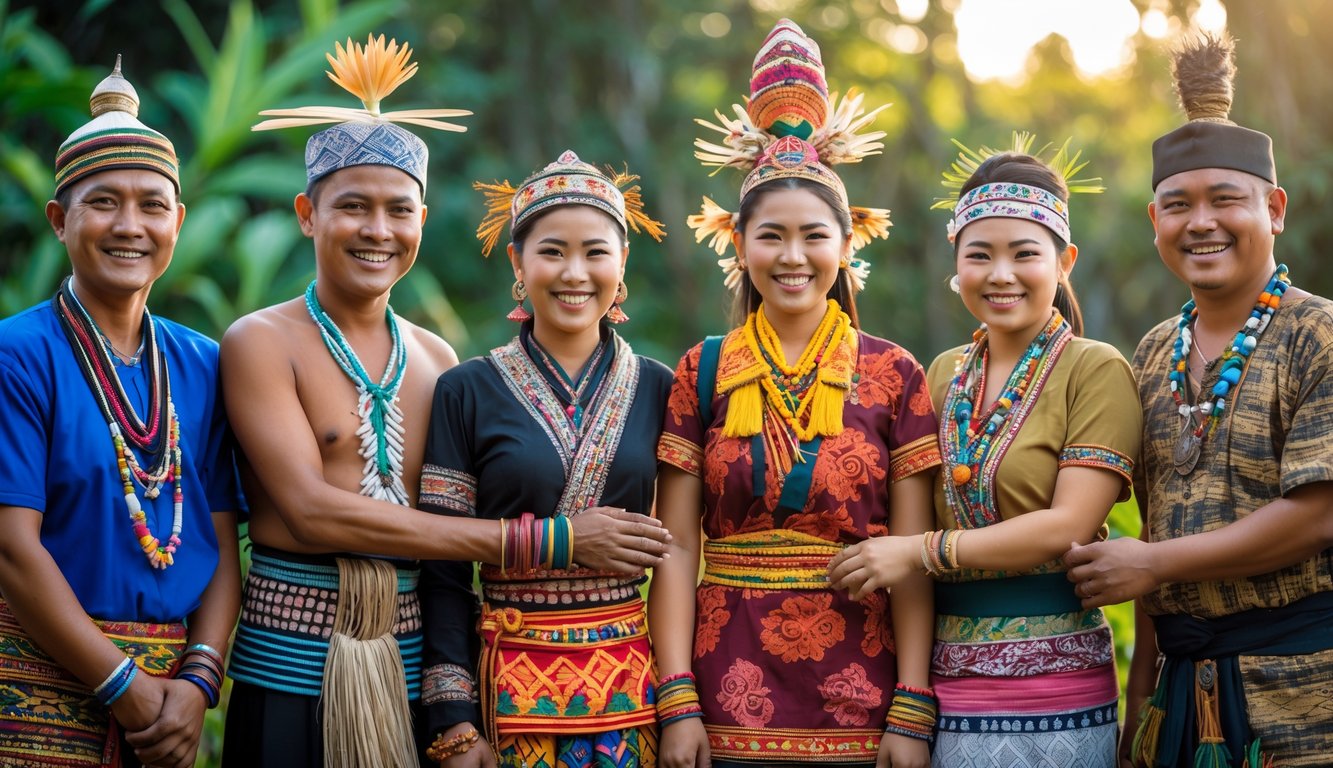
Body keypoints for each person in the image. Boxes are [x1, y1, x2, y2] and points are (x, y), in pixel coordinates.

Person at [220, 37, 671, 768]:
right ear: (307, 213)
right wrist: (549, 542)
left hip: (409, 666)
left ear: (422, 221)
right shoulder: (260, 341)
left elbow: (447, 549)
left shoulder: (436, 360)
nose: (378, 230)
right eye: (352, 207)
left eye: (398, 210)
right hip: (292, 663)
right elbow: (310, 511)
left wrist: (449, 705)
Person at [650, 19, 940, 768]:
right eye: (770, 235)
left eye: (814, 235)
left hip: (862, 696)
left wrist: (912, 708)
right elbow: (677, 548)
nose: (792, 256)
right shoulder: (701, 370)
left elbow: (910, 557)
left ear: (846, 244)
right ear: (737, 243)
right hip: (725, 692)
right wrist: (677, 700)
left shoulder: (894, 373)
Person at [1063, 31, 1333, 768]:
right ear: (1155, 222)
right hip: (1181, 696)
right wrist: (1138, 711)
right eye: (1178, 205)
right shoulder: (1153, 353)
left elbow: (1317, 515)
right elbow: (1152, 538)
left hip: (1306, 691)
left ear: (1274, 209)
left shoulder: (1317, 334)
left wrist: (1154, 564)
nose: (1201, 222)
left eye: (1226, 200)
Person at [828, 141, 1141, 767]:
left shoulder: (1095, 368)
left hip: (1058, 683)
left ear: (1065, 261)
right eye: (980, 254)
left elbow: (1069, 524)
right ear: (956, 261)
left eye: (1024, 253)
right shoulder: (941, 372)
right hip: (945, 679)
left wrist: (918, 552)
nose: (1001, 274)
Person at [0, 57, 243, 768]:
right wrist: (122, 685)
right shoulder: (17, 354)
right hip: (40, 689)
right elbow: (12, 546)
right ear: (59, 219)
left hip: (170, 707)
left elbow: (221, 544)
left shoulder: (204, 364)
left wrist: (198, 682)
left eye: (152, 205)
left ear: (179, 221)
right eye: (103, 202)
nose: (130, 226)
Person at [416, 149, 669, 768]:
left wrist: (683, 700)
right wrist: (453, 716)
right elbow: (443, 566)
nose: (574, 273)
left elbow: (680, 552)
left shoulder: (663, 388)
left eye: (595, 252)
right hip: (507, 688)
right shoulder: (466, 390)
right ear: (517, 262)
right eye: (552, 251)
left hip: (635, 693)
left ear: (623, 261)